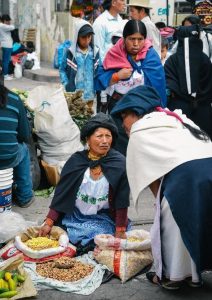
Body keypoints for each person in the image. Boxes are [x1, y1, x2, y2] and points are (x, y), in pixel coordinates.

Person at [111, 85, 212, 289]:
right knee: (201, 221)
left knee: (170, 222)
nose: (123, 124)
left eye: (124, 117)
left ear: (137, 112)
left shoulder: (140, 130)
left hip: (186, 179)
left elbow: (151, 180)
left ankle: (172, 277)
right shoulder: (177, 118)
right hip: (209, 169)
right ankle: (194, 274)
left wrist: (161, 206)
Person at [39, 113, 130, 250]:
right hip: (75, 216)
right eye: (99, 136)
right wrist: (49, 222)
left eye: (108, 136)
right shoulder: (76, 161)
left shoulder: (119, 163)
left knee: (101, 239)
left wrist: (120, 230)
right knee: (61, 236)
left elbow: (122, 200)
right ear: (88, 139)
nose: (105, 141)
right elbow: (61, 194)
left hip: (103, 218)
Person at [95, 19, 166, 155]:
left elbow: (158, 87)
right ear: (124, 38)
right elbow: (100, 79)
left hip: (143, 110)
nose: (136, 44)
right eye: (131, 39)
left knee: (141, 147)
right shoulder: (114, 54)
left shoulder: (151, 57)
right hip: (118, 108)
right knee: (121, 148)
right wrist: (117, 76)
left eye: (140, 39)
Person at [165, 25, 212, 140]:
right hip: (203, 111)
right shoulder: (205, 59)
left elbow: (169, 83)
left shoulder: (172, 60)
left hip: (179, 113)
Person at [0, 84, 34, 207]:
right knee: (23, 148)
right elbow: (24, 135)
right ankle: (25, 197)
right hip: (7, 158)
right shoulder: (14, 98)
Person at [93, 0, 126, 112]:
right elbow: (98, 52)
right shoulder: (100, 22)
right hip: (106, 75)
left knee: (116, 112)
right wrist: (104, 78)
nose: (124, 2)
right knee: (102, 113)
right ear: (113, 2)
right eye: (122, 0)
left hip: (120, 75)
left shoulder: (121, 21)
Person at [59, 19, 100, 103]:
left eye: (89, 36)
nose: (87, 40)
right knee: (74, 115)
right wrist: (66, 83)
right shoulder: (70, 53)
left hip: (90, 96)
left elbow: (99, 71)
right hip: (74, 96)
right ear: (77, 36)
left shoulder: (95, 53)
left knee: (89, 115)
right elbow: (62, 70)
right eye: (83, 37)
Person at [0, 14, 15, 80]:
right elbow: (13, 27)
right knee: (6, 61)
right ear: (4, 20)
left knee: (5, 61)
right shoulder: (2, 25)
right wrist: (8, 25)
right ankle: (5, 75)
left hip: (5, 45)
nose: (9, 22)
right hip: (7, 45)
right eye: (8, 20)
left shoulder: (2, 26)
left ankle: (5, 74)